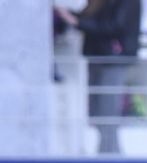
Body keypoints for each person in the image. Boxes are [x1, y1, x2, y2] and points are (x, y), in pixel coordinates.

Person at [54, 0, 142, 154]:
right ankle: (107, 154)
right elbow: (90, 17)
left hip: (114, 59)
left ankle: (110, 156)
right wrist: (68, 15)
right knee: (98, 111)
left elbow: (115, 26)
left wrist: (76, 21)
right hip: (96, 57)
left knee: (107, 112)